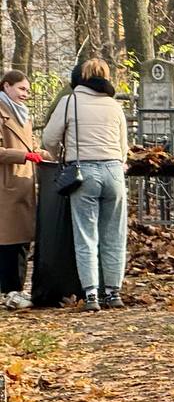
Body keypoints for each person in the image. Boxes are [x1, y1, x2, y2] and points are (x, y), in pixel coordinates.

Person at [42, 59, 130, 311]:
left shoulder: (69, 102)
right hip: (114, 171)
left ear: (81, 77)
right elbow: (124, 146)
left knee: (86, 235)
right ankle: (114, 292)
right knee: (114, 234)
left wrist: (61, 154)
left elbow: (49, 138)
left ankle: (91, 294)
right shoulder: (114, 105)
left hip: (84, 171)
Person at [0, 70, 51, 309]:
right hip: (6, 183)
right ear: (6, 86)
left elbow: (29, 143)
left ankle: (15, 290)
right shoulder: (2, 113)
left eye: (28, 90)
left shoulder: (23, 115)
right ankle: (10, 290)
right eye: (21, 89)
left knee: (20, 240)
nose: (26, 94)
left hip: (24, 183)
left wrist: (38, 151)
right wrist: (24, 155)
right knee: (10, 241)